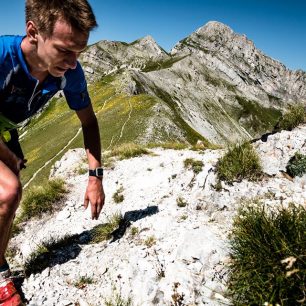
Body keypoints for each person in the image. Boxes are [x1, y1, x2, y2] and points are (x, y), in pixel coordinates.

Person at [0, 0, 105, 304]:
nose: (73, 63)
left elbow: (89, 121)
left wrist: (95, 175)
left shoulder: (69, 73)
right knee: (8, 192)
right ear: (33, 32)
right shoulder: (3, 57)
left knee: (6, 200)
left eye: (79, 52)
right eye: (64, 50)